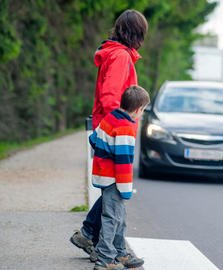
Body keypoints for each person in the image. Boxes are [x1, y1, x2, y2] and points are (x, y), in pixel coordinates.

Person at [70, 9, 148, 268]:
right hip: (114, 132)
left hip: (108, 129)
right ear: (136, 34)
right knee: (115, 193)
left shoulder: (115, 54)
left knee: (110, 191)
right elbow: (110, 97)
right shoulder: (120, 57)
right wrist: (122, 126)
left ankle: (89, 235)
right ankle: (113, 252)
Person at [90, 85, 150, 270]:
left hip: (103, 174)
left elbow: (93, 138)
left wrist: (105, 150)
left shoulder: (111, 117)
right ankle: (105, 258)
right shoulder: (125, 128)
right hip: (114, 180)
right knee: (111, 218)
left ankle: (120, 252)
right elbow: (123, 163)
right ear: (138, 109)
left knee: (119, 216)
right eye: (143, 111)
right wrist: (125, 190)